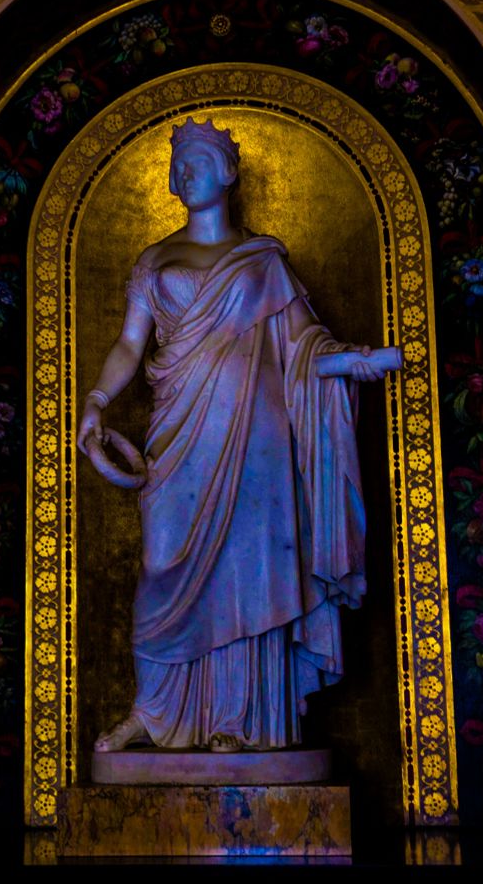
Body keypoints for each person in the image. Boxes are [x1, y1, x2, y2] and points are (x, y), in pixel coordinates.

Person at [77, 117, 383, 753]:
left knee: (250, 570)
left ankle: (238, 720)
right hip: (178, 433)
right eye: (176, 164)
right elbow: (131, 342)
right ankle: (153, 713)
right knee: (162, 566)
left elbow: (302, 348)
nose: (183, 173)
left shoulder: (264, 259)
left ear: (228, 170)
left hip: (257, 437)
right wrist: (98, 402)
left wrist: (349, 362)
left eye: (196, 160)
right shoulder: (154, 260)